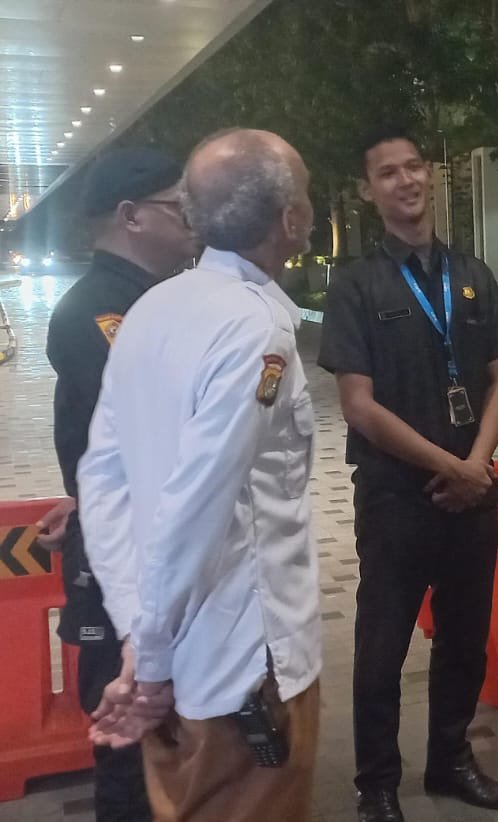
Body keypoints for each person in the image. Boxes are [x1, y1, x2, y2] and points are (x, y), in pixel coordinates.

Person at [77, 128, 323, 822]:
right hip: (245, 668)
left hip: (171, 658)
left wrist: (138, 636)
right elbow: (199, 502)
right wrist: (150, 663)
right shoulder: (255, 329)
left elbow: (105, 480)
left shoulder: (153, 309)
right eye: (307, 193)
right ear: (291, 219)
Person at [317, 125, 498, 822]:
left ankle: (451, 761)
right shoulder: (355, 285)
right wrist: (450, 467)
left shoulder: (472, 275)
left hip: (472, 493)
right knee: (382, 646)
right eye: (388, 172)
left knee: (464, 639)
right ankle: (376, 784)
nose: (405, 180)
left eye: (413, 167)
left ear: (429, 175)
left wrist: (476, 467)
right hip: (397, 497)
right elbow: (358, 405)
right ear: (368, 190)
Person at [41, 146, 195, 822]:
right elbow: (152, 434)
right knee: (131, 738)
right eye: (178, 206)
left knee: (171, 739)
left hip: (159, 552)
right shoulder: (97, 312)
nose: (192, 219)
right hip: (126, 564)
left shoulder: (151, 303)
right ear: (131, 216)